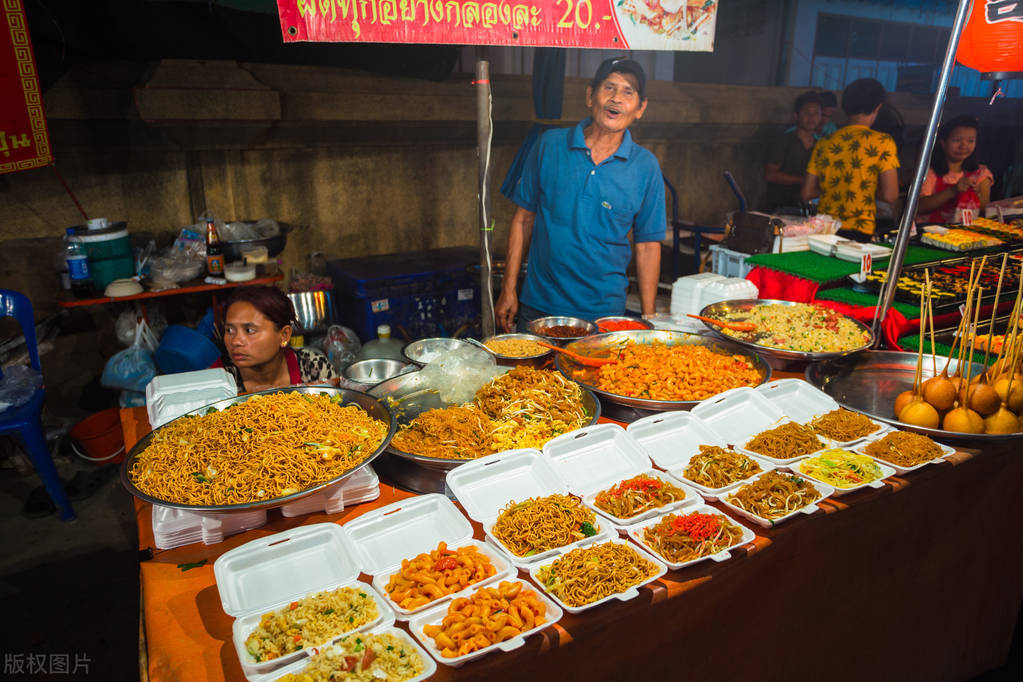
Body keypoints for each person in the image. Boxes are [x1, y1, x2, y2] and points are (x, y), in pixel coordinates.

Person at [495, 57, 666, 332]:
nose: (616, 98)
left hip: (604, 316)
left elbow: (647, 246)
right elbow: (523, 219)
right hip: (539, 306)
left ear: (640, 108)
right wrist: (508, 288)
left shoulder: (645, 166)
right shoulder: (549, 145)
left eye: (628, 92)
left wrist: (649, 318)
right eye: (609, 87)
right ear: (590, 96)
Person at [801, 78, 899, 242]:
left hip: (825, 228)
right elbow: (890, 195)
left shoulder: (825, 142)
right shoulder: (883, 142)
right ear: (877, 108)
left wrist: (834, 187)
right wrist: (863, 187)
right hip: (859, 230)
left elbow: (807, 193)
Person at [213, 286, 337, 393]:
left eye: (250, 330)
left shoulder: (314, 367)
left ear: (284, 335)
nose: (235, 341)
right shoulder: (217, 380)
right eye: (229, 330)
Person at [917, 115, 993, 225]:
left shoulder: (981, 173)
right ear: (943, 143)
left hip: (964, 232)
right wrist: (952, 191)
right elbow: (918, 207)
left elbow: (985, 208)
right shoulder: (929, 172)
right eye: (957, 140)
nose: (964, 146)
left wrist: (975, 195)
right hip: (929, 231)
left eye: (971, 141)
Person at [763, 91, 822, 212]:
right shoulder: (784, 141)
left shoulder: (821, 145)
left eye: (816, 113)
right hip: (779, 206)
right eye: (807, 113)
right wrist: (804, 180)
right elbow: (770, 175)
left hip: (807, 208)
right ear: (796, 116)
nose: (811, 117)